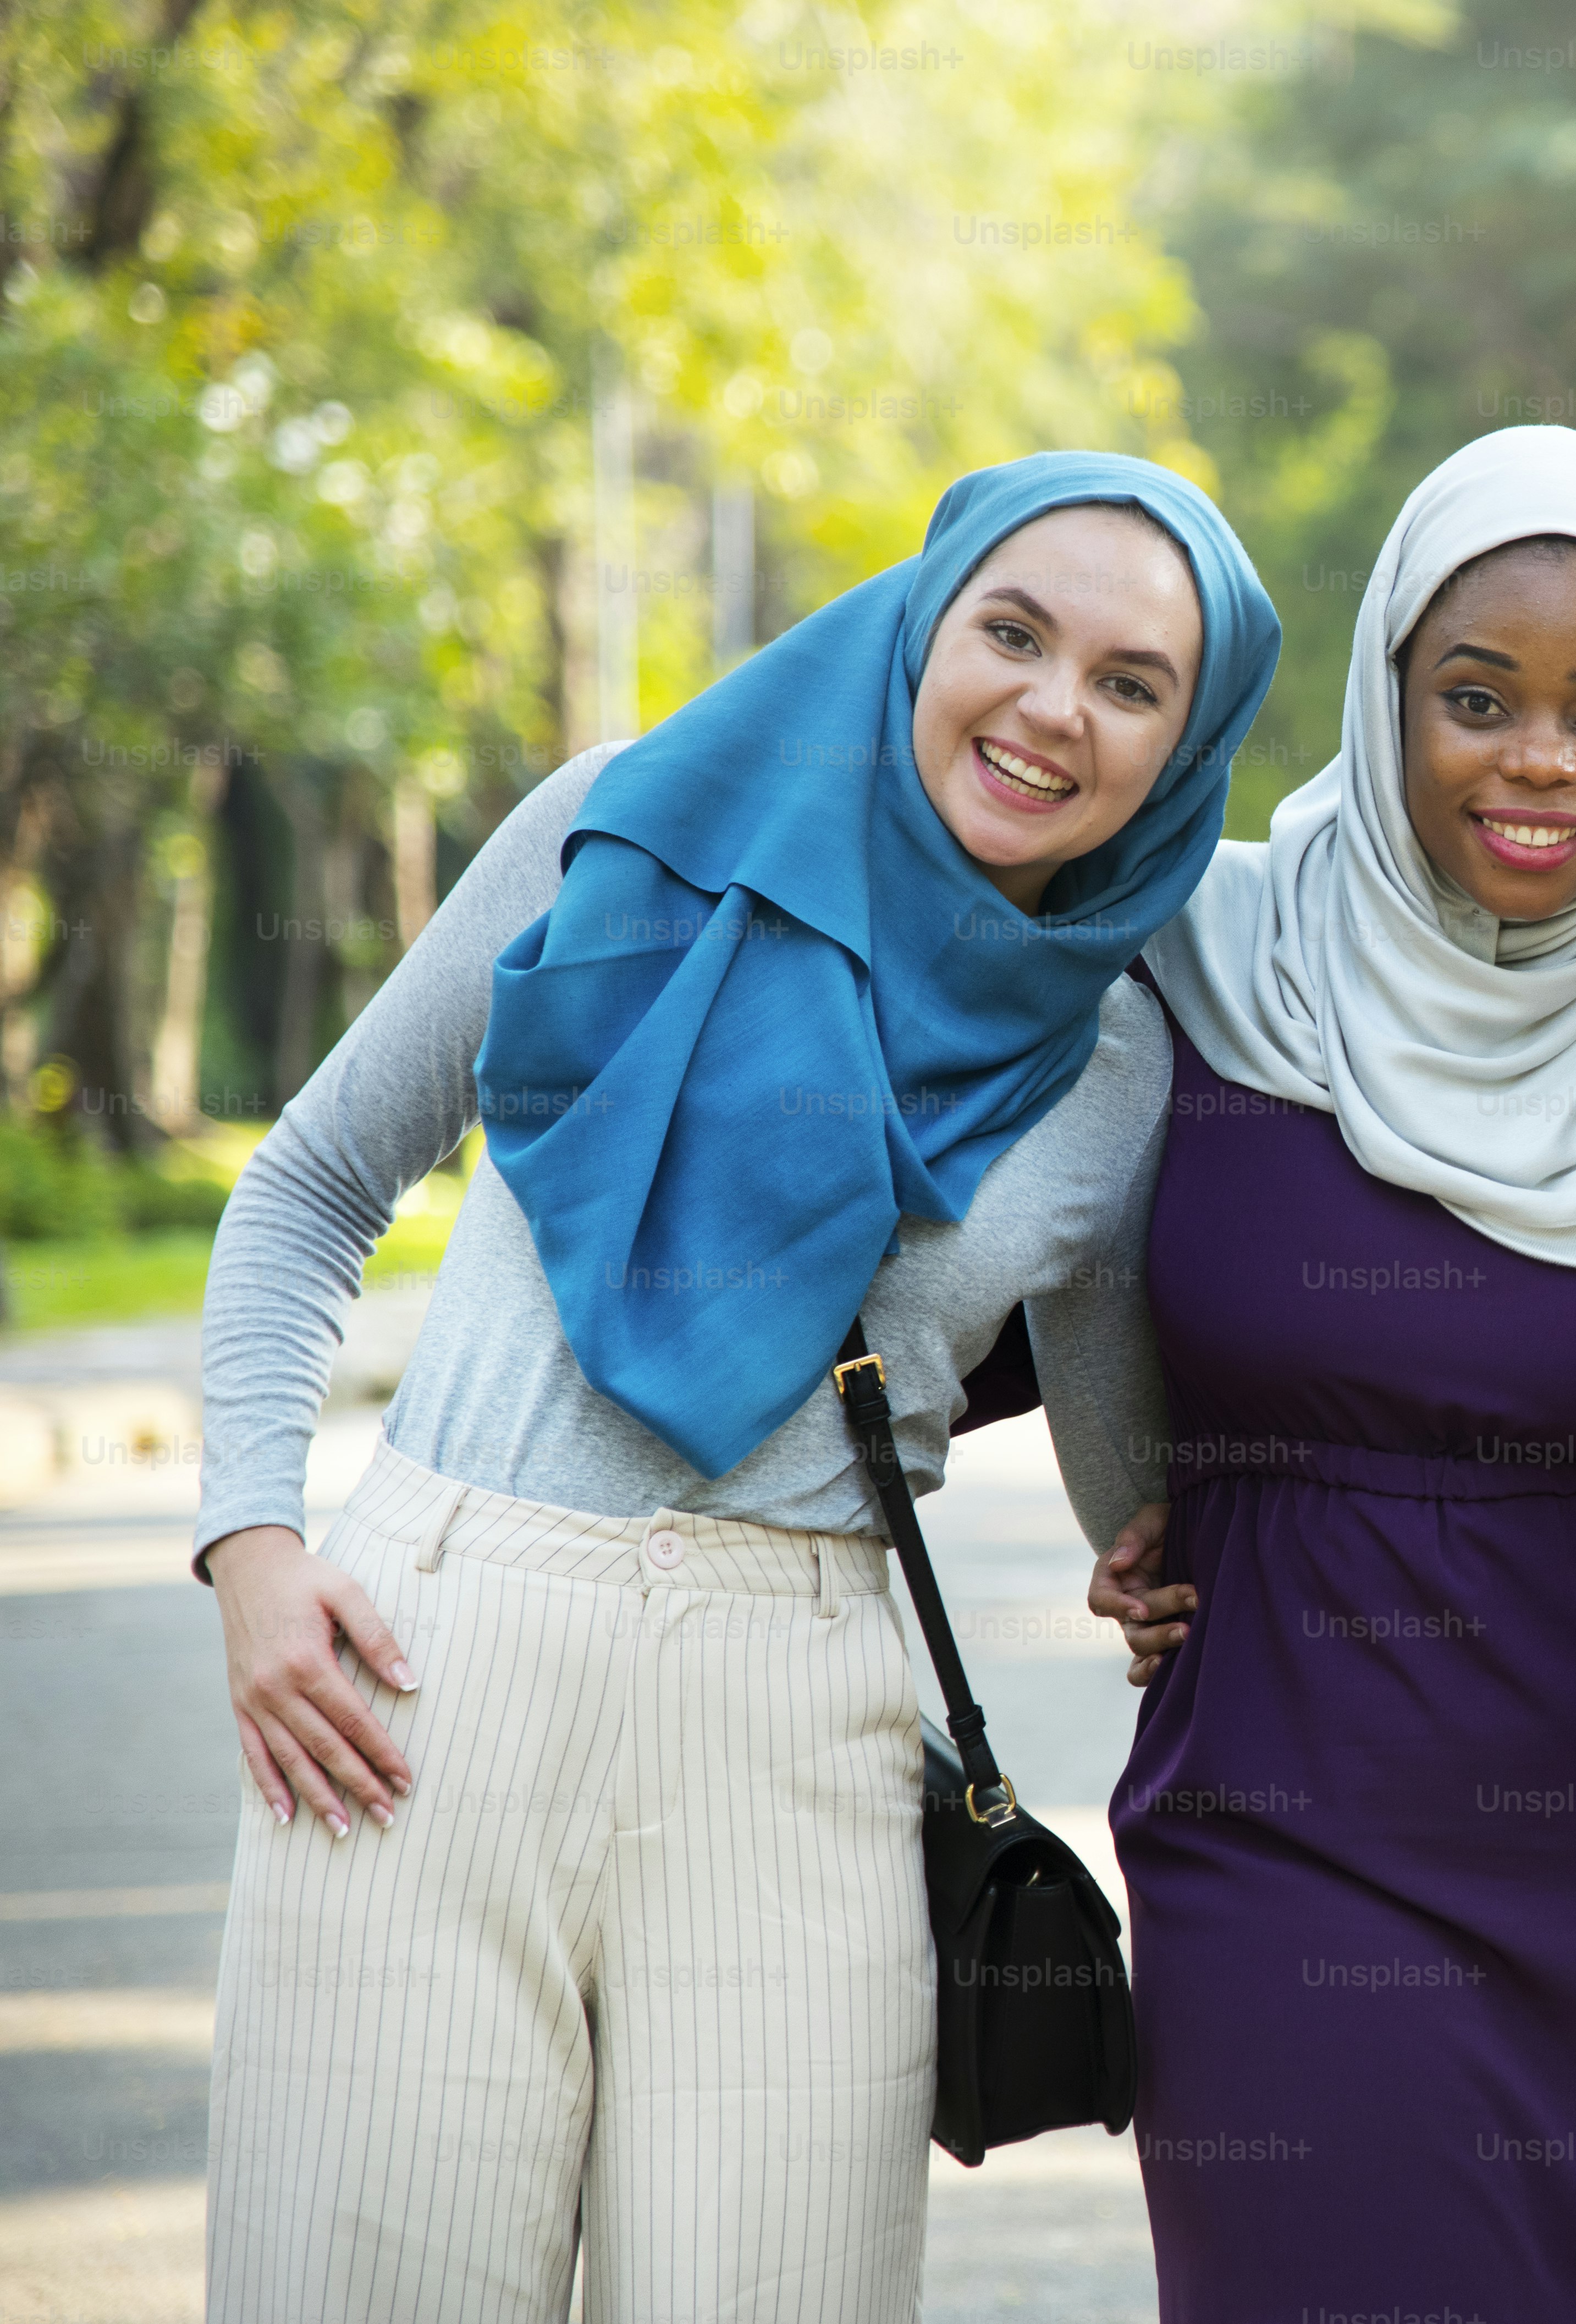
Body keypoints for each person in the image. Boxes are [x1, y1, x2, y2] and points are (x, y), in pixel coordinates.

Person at [190, 454, 1281, 2324]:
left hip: (803, 1727)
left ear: (1186, 745)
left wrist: (1168, 1551)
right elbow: (312, 1182)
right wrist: (250, 1542)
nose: (1051, 708)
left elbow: (1137, 1478)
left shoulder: (1112, 1066)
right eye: (1011, 633)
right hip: (427, 1671)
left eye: (1131, 683)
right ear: (923, 619)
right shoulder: (624, 824)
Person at [1085, 425, 1576, 2321]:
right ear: (1386, 690)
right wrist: (1122, 1502)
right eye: (1476, 696)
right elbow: (1006, 1246)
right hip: (1288, 1840)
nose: (1538, 760)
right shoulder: (1206, 960)